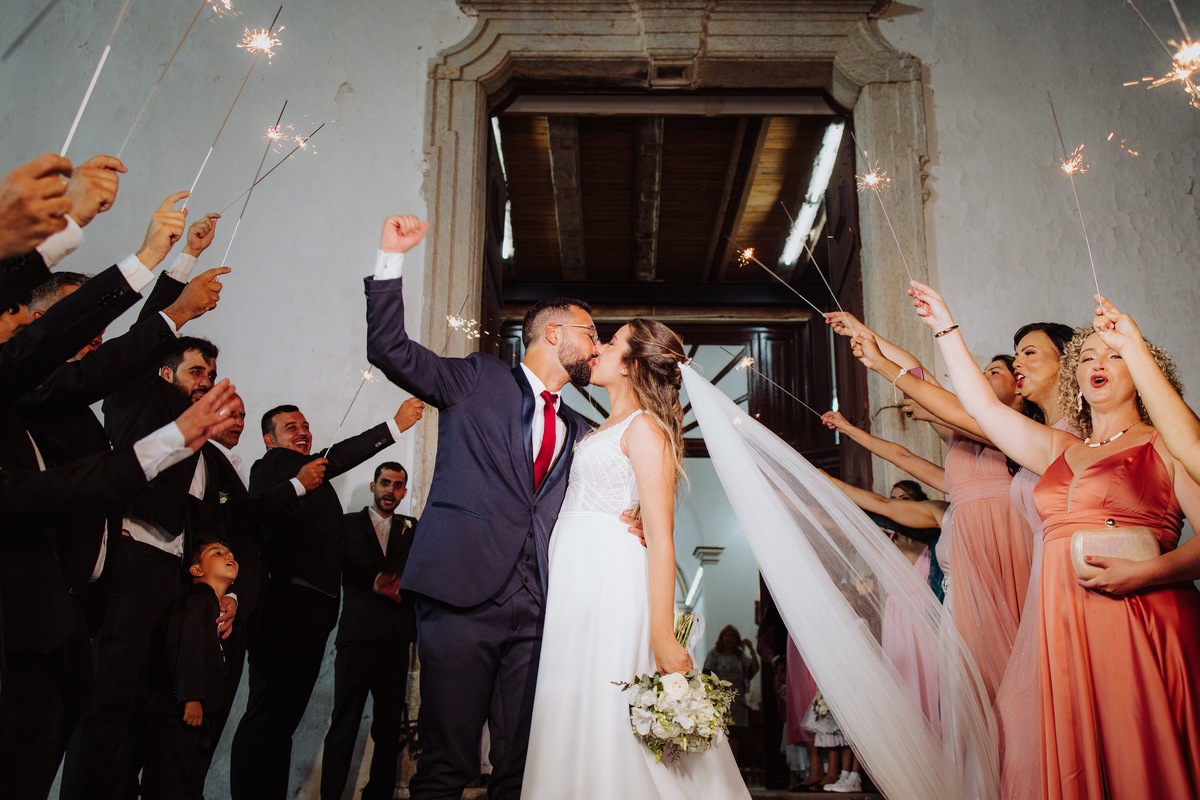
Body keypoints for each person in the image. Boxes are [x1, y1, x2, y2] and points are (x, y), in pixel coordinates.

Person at [907, 279, 1200, 799]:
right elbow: (986, 412)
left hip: (1141, 618)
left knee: (1140, 762)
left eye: (1113, 353)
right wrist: (946, 329)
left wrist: (1148, 571)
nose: (1096, 362)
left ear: (1144, 368)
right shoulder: (1060, 450)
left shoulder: (1166, 444)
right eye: (1086, 356)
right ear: (1075, 377)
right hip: (1064, 624)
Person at [364, 215, 595, 799]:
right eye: (589, 332)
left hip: (539, 605)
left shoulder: (583, 429)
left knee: (521, 768)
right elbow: (389, 349)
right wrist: (390, 258)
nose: (596, 344)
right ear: (551, 334)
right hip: (461, 594)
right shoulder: (475, 378)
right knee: (447, 763)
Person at [522, 319, 749, 798]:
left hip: (611, 586)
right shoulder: (596, 427)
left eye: (611, 342)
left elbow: (663, 538)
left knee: (611, 707)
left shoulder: (646, 428)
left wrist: (663, 634)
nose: (598, 347)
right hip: (577, 587)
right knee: (575, 704)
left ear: (630, 365)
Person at [229, 399, 419, 800]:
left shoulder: (311, 482)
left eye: (305, 424)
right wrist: (394, 426)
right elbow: (336, 457)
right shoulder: (275, 466)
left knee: (283, 724)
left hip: (311, 617)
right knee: (266, 718)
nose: (302, 431)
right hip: (283, 614)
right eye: (290, 427)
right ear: (269, 440)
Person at [320, 458, 420, 800]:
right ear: (373, 486)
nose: (390, 490)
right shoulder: (346, 525)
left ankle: (377, 794)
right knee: (344, 722)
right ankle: (331, 795)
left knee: (389, 726)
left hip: (396, 638)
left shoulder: (412, 526)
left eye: (397, 485)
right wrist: (374, 580)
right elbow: (337, 565)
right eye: (385, 483)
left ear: (404, 491)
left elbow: (421, 571)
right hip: (358, 636)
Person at [142, 539, 239, 800]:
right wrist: (191, 696)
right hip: (179, 715)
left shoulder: (212, 610)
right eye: (217, 553)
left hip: (201, 719)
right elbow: (186, 646)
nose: (228, 555)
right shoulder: (195, 601)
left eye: (230, 553)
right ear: (196, 570)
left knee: (190, 787)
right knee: (168, 786)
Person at [701, 625, 760, 757]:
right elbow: (706, 675)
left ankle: (734, 768)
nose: (729, 638)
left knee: (735, 737)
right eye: (727, 635)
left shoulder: (739, 656)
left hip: (737, 703)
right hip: (720, 702)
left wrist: (751, 649)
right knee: (720, 737)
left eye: (733, 636)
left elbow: (754, 668)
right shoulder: (714, 654)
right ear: (721, 638)